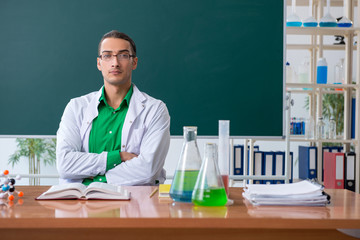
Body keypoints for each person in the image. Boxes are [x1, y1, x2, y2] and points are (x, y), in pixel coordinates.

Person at [56, 30, 170, 186]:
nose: (115, 63)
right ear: (99, 63)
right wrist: (118, 157)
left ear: (134, 62)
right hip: (82, 203)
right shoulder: (76, 107)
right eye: (107, 55)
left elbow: (148, 170)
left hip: (134, 204)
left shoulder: (155, 109)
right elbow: (65, 164)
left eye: (123, 55)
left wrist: (96, 180)